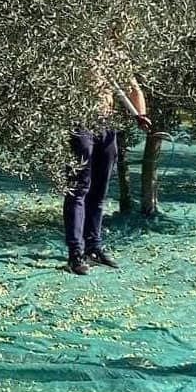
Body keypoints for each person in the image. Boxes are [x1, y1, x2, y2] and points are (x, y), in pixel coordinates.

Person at [65, 67, 150, 275]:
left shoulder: (115, 54)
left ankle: (93, 247)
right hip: (81, 122)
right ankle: (75, 253)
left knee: (99, 191)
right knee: (79, 189)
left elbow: (133, 88)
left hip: (105, 124)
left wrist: (141, 114)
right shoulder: (79, 46)